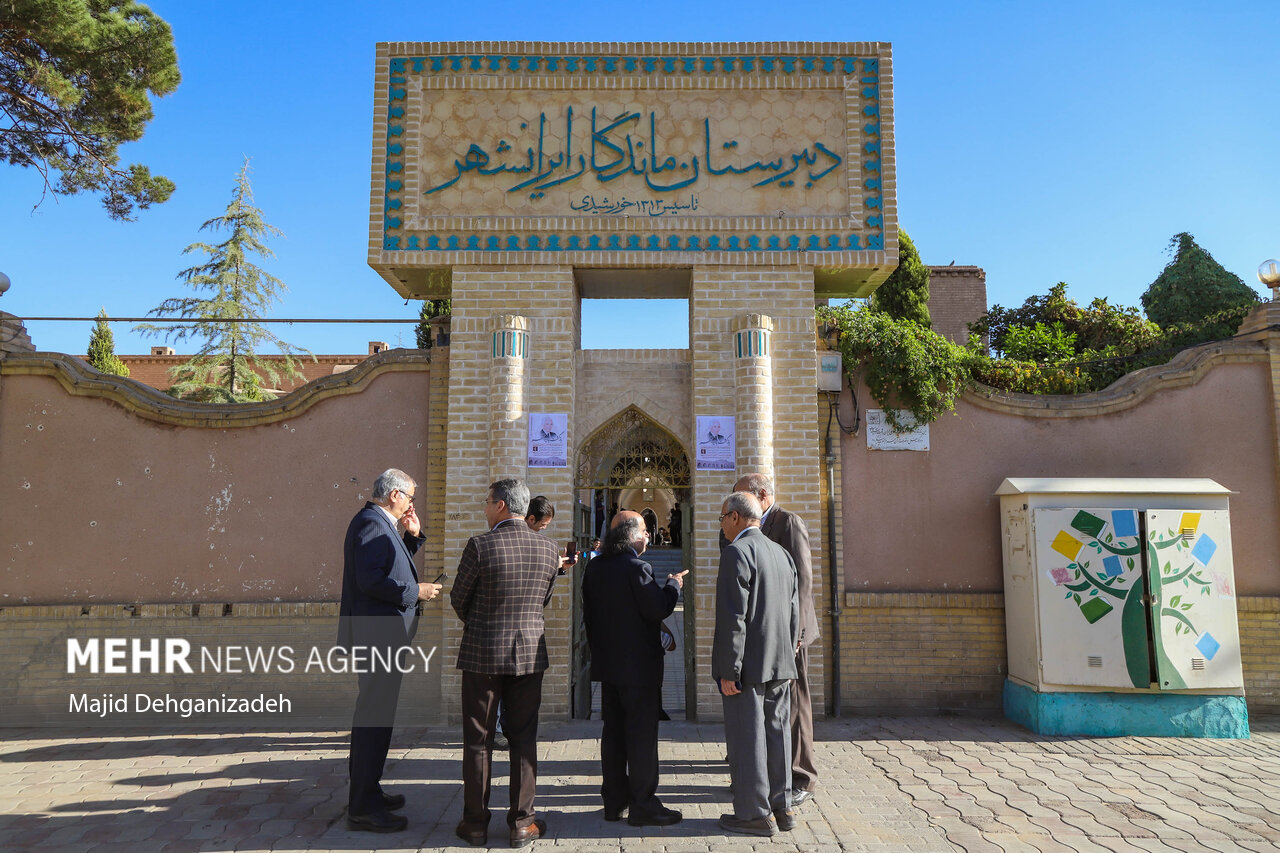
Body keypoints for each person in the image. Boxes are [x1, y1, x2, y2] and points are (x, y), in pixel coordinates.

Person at [451, 478, 561, 849]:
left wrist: (483, 624)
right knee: (523, 737)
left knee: (478, 741)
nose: (484, 508)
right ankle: (522, 823)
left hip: (483, 652)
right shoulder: (548, 549)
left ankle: (475, 823)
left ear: (500, 506)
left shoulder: (480, 545)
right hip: (529, 654)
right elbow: (542, 599)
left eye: (486, 502)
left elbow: (459, 599)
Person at [337, 468, 442, 833]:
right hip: (377, 638)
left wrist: (412, 538)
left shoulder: (382, 525)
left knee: (378, 719)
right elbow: (371, 581)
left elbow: (388, 567)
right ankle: (362, 806)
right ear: (395, 495)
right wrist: (418, 592)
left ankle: (368, 791)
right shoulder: (371, 523)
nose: (413, 504)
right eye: (410, 497)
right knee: (372, 720)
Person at [582, 511, 687, 827]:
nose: (648, 535)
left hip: (608, 667)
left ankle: (613, 802)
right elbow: (656, 608)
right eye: (645, 529)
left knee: (613, 734)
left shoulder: (595, 566)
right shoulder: (637, 567)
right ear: (631, 535)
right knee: (641, 737)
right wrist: (672, 586)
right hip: (638, 671)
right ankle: (643, 804)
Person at [713, 491, 799, 837]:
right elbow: (793, 610)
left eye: (721, 518)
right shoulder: (781, 553)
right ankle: (783, 807)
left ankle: (753, 813)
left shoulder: (737, 552)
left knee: (747, 736)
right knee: (777, 734)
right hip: (780, 660)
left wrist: (728, 669)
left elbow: (734, 617)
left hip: (748, 664)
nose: (721, 526)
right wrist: (789, 654)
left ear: (735, 517)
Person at [734, 473, 820, 806]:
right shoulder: (751, 527)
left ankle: (803, 777)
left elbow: (803, 579)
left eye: (743, 496)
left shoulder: (788, 522)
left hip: (789, 632)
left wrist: (795, 631)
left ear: (763, 494)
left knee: (795, 702)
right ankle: (773, 772)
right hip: (766, 631)